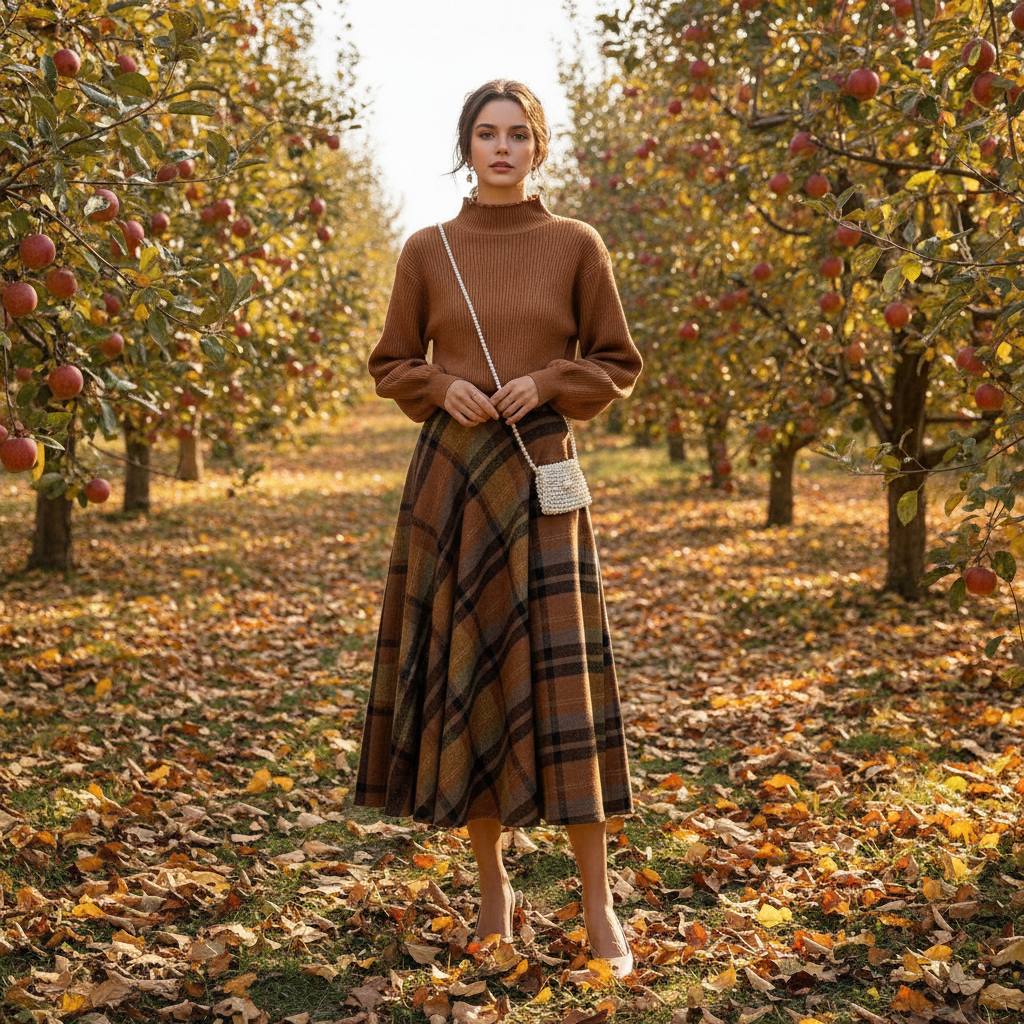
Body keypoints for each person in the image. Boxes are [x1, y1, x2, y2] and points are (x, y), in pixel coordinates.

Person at [353, 79, 643, 979]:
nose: (504, 148)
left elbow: (616, 362)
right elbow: (392, 362)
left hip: (541, 475)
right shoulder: (428, 250)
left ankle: (598, 906)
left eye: (519, 134)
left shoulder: (575, 246)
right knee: (470, 678)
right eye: (488, 134)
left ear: (540, 148)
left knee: (565, 691)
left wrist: (549, 380)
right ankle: (494, 894)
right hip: (454, 480)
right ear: (466, 147)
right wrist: (445, 387)